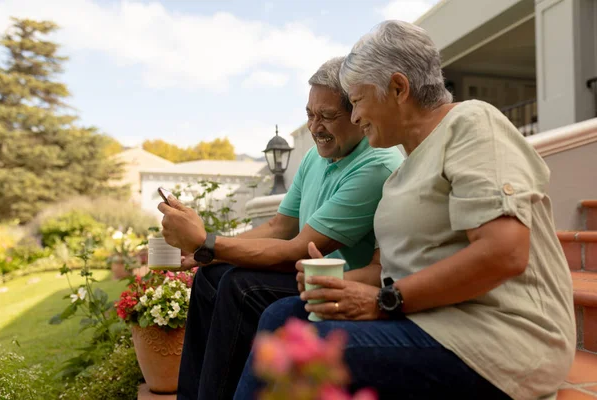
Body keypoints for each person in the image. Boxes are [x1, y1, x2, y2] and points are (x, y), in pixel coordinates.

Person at [235, 20, 576, 400]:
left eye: (358, 100)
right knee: (281, 316)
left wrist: (383, 301)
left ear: (398, 88)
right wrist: (343, 286)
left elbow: (505, 251)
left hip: (498, 340)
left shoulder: (472, 124)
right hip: (430, 320)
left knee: (296, 352)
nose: (355, 116)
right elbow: (389, 270)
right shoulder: (403, 171)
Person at [157, 56, 404, 400]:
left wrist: (207, 243)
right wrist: (207, 252)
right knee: (211, 277)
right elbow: (278, 226)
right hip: (302, 273)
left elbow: (298, 248)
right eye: (310, 114)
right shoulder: (315, 157)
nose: (316, 126)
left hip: (338, 282)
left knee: (240, 287)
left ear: (357, 113)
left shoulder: (376, 164)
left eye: (327, 116)